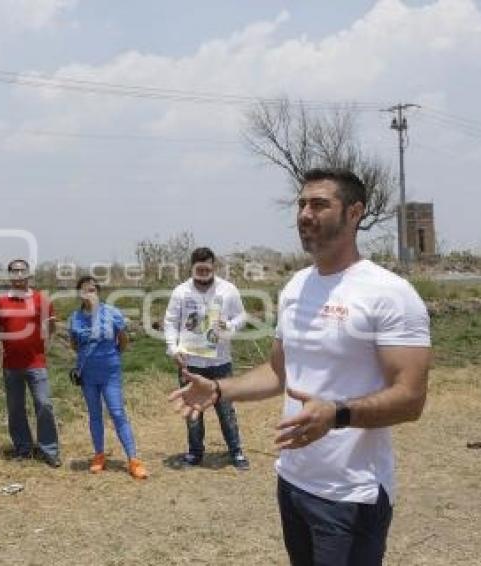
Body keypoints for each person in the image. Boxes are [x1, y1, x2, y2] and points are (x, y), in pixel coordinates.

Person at [170, 168, 431, 565]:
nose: (305, 214)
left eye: (320, 204)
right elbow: (279, 371)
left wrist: (338, 414)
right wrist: (221, 389)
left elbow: (411, 399)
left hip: (350, 493)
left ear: (355, 212)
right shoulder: (296, 286)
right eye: (302, 204)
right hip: (293, 481)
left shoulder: (389, 293)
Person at [164, 246, 250, 470]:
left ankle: (236, 451)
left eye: (207, 268)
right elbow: (171, 322)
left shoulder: (228, 290)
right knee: (192, 411)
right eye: (198, 268)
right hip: (190, 363)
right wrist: (173, 349)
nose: (203, 272)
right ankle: (195, 453)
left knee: (226, 409)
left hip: (220, 362)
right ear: (192, 268)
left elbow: (241, 316)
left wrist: (229, 325)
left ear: (214, 266)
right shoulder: (181, 292)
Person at [68, 276, 147, 479]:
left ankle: (133, 459)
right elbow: (74, 344)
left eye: (93, 289)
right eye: (85, 290)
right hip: (87, 374)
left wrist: (111, 357)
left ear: (98, 292)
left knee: (117, 412)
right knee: (94, 415)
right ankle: (99, 455)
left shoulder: (112, 313)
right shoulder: (75, 318)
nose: (90, 293)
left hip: (110, 371)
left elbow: (122, 341)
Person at [0, 259, 61, 468]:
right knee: (15, 408)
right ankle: (23, 448)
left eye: (22, 270)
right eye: (14, 271)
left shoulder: (41, 299)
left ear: (29, 274)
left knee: (44, 404)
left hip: (36, 362)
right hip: (11, 364)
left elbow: (51, 328)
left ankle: (49, 450)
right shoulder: (1, 302)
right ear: (9, 275)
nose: (19, 274)